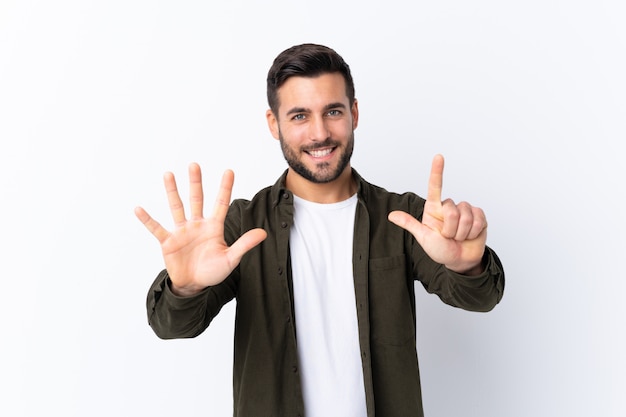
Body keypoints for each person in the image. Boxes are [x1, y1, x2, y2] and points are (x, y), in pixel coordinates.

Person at [135, 43, 505, 417]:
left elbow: (481, 298)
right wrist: (185, 287)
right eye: (299, 116)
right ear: (273, 123)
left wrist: (467, 267)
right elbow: (172, 326)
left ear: (354, 113)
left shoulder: (405, 217)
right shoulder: (243, 225)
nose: (319, 133)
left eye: (332, 111)